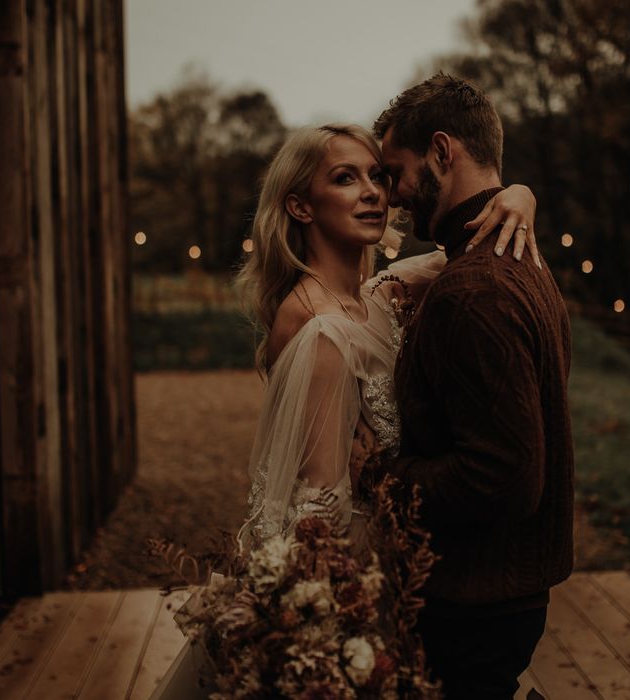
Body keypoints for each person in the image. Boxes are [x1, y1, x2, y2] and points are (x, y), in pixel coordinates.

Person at [233, 123, 538, 550]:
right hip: (361, 566)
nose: (374, 192)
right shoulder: (319, 327)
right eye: (345, 178)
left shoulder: (375, 297)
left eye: (377, 175)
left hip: (407, 556)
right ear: (301, 207)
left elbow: (471, 246)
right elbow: (318, 510)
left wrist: (520, 196)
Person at [370, 73, 574, 700]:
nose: (392, 195)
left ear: (442, 150)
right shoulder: (513, 261)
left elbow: (504, 474)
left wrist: (379, 476)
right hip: (503, 593)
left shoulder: (473, 287)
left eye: (395, 171)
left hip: (473, 599)